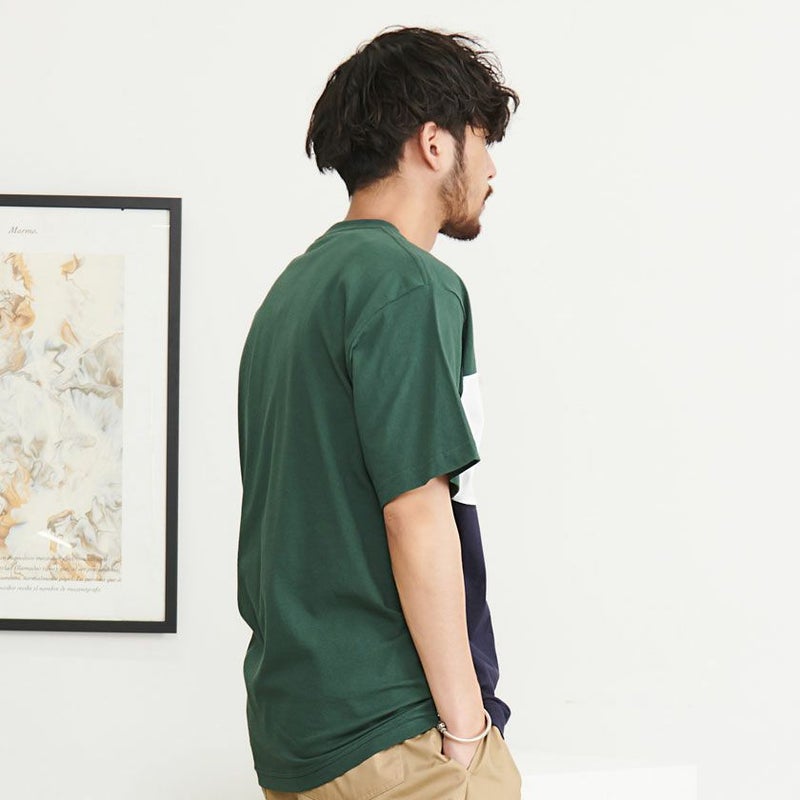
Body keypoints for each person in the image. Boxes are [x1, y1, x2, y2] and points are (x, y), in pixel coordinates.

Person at [237, 25, 521, 799]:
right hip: (394, 731)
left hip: (299, 733)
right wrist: (466, 729)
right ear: (434, 143)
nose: (492, 169)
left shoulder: (293, 293)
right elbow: (414, 514)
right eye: (484, 141)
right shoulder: (408, 283)